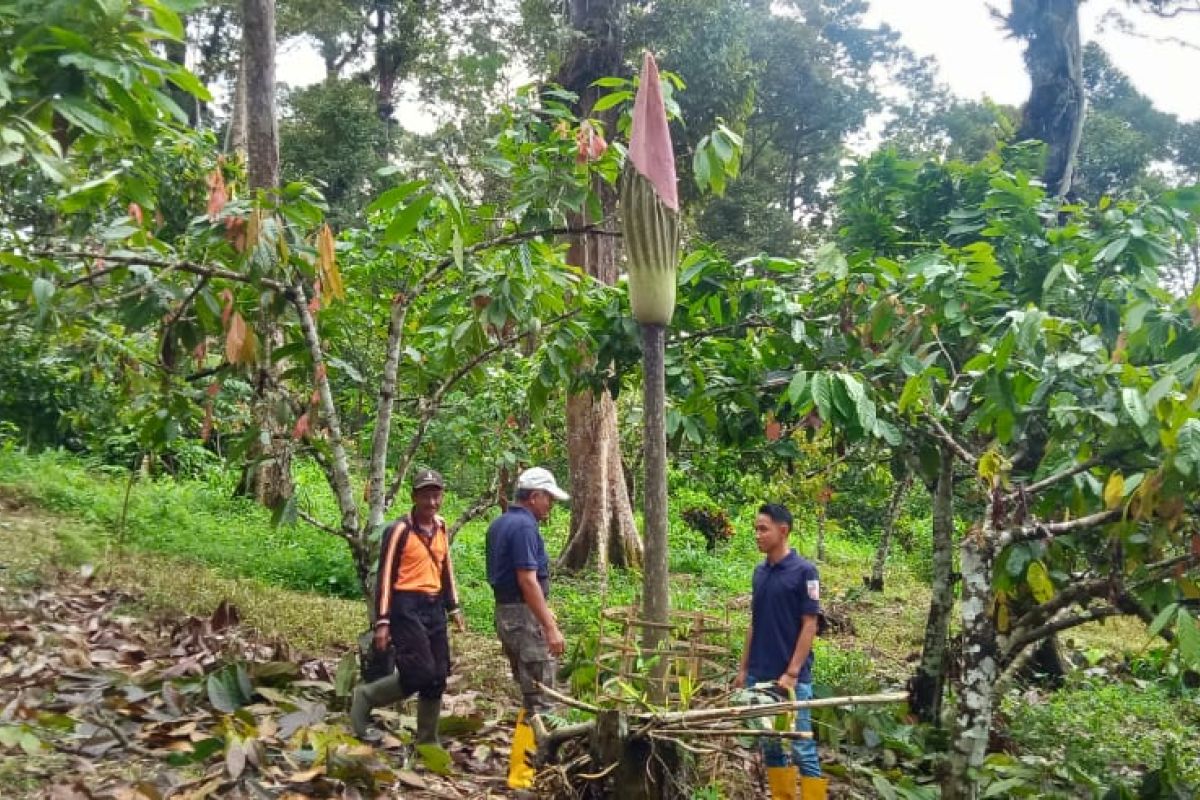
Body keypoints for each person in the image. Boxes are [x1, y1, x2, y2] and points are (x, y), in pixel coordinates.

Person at [351, 468, 466, 745]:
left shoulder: (441, 526)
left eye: (436, 495)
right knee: (420, 671)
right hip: (406, 606)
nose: (432, 502)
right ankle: (366, 696)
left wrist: (454, 608)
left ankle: (427, 739)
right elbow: (386, 576)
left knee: (438, 675)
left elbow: (445, 568)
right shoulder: (399, 530)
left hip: (434, 606)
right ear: (414, 497)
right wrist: (383, 622)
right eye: (426, 496)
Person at [735, 503, 828, 800]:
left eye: (763, 529)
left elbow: (810, 624)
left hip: (792, 680)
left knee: (801, 745)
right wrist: (743, 669)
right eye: (756, 529)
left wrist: (792, 672)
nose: (757, 535)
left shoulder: (805, 572)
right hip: (759, 675)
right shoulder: (759, 573)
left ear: (783, 530)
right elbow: (755, 621)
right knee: (771, 744)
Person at [485, 466, 569, 791]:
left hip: (507, 615)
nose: (551, 506)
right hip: (523, 618)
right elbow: (527, 580)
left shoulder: (500, 522)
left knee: (530, 694)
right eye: (548, 499)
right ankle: (528, 777)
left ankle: (525, 768)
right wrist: (549, 627)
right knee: (543, 699)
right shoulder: (523, 527)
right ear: (534, 497)